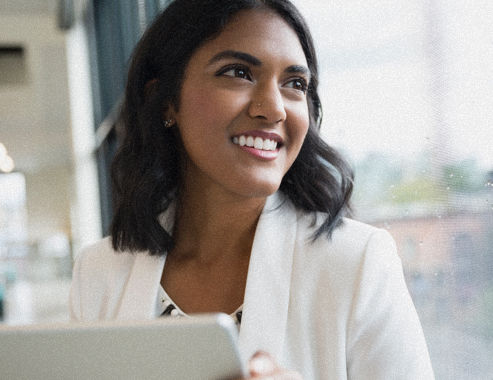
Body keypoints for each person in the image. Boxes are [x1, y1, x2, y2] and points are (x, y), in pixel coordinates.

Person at [69, 0, 435, 378]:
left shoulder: (358, 262)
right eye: (238, 72)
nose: (274, 108)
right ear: (165, 101)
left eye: (295, 84)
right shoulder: (98, 272)